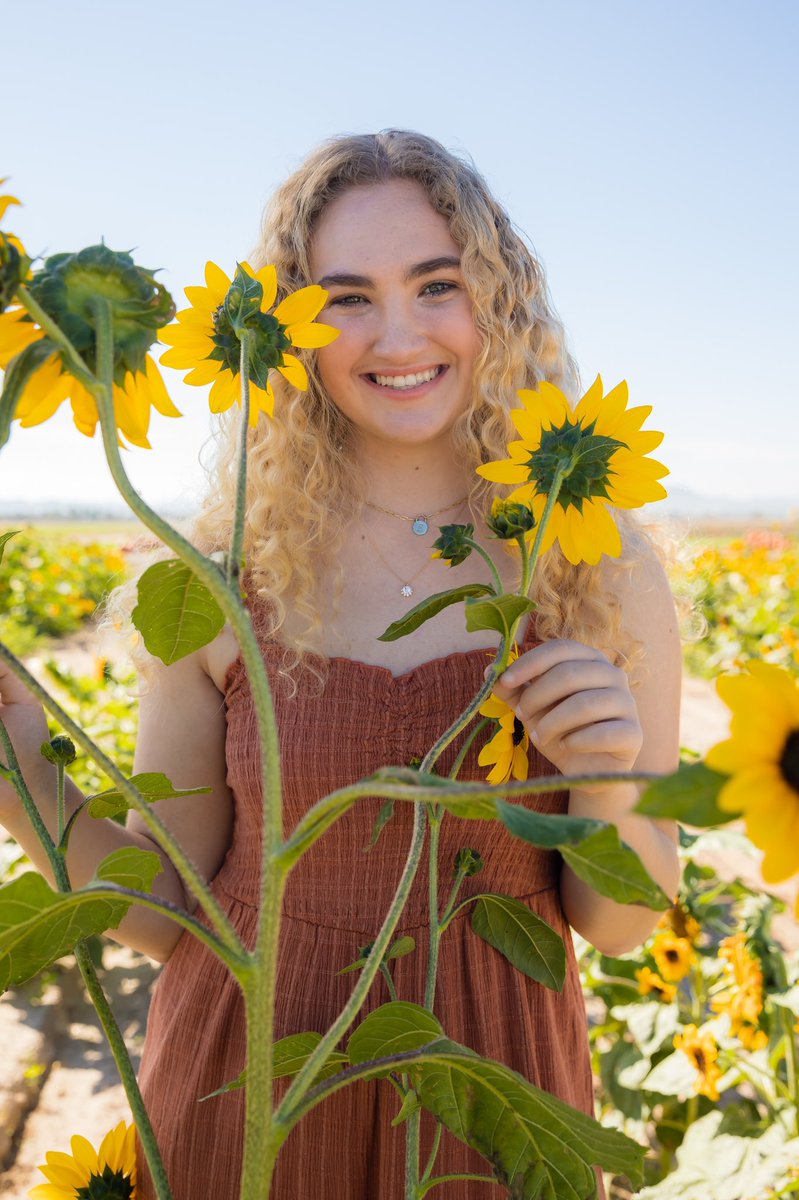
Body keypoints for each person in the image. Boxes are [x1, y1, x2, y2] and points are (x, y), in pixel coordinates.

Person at [0, 130, 682, 1199]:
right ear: (294, 328)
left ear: (497, 303)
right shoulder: (217, 581)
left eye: (437, 284)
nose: (398, 331)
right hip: (251, 1088)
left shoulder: (591, 561)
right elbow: (165, 909)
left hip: (489, 1100)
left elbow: (626, 923)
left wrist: (601, 773)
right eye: (348, 296)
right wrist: (24, 779)